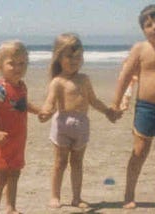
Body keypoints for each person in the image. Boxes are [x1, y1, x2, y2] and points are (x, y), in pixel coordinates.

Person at [111, 4, 155, 209]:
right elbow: (125, 76)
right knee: (140, 150)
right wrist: (115, 103)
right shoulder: (140, 49)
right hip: (146, 107)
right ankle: (128, 193)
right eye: (149, 24)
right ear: (143, 29)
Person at [38, 33, 118, 208]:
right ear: (59, 58)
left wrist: (107, 111)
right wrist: (45, 112)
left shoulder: (84, 79)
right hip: (62, 126)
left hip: (82, 125)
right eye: (69, 56)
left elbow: (93, 100)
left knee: (77, 163)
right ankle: (55, 196)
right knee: (60, 163)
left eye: (78, 56)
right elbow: (49, 102)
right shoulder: (58, 81)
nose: (74, 60)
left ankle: (76, 197)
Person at [0, 40, 40, 214]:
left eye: (22, 63)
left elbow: (23, 105)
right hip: (1, 142)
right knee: (0, 178)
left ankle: (11, 207)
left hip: (17, 141)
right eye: (12, 63)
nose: (18, 68)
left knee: (15, 174)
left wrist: (39, 111)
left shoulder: (21, 86)